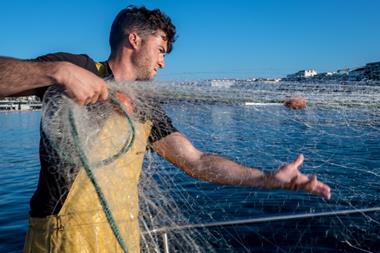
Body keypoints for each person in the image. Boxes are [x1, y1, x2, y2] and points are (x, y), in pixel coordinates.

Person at [0, 5, 331, 253]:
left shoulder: (147, 106)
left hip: (120, 239)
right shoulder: (78, 67)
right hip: (64, 240)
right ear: (133, 39)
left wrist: (266, 179)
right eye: (160, 50)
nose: (163, 62)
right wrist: (54, 72)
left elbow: (196, 161)